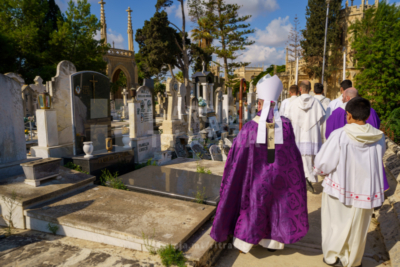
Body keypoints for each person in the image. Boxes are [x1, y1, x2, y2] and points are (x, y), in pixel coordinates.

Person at [210, 75, 309, 254]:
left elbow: (237, 155)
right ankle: (271, 243)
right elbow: (292, 154)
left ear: (260, 104)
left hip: (256, 177)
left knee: (253, 206)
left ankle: (245, 243)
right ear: (275, 103)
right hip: (280, 177)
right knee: (276, 207)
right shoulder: (285, 126)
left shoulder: (250, 127)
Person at [313, 97, 386, 267]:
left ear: (349, 115)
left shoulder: (340, 134)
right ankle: (352, 260)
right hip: (365, 189)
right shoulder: (378, 136)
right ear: (367, 116)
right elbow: (378, 157)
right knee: (359, 227)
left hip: (341, 187)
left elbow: (324, 162)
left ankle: (331, 256)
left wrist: (319, 171)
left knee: (335, 223)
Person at [285, 80, 325, 192]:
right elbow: (322, 119)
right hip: (311, 135)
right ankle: (308, 177)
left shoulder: (293, 103)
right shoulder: (317, 103)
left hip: (298, 135)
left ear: (300, 90)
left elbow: (287, 119)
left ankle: (301, 179)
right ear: (310, 89)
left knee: (298, 158)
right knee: (310, 159)